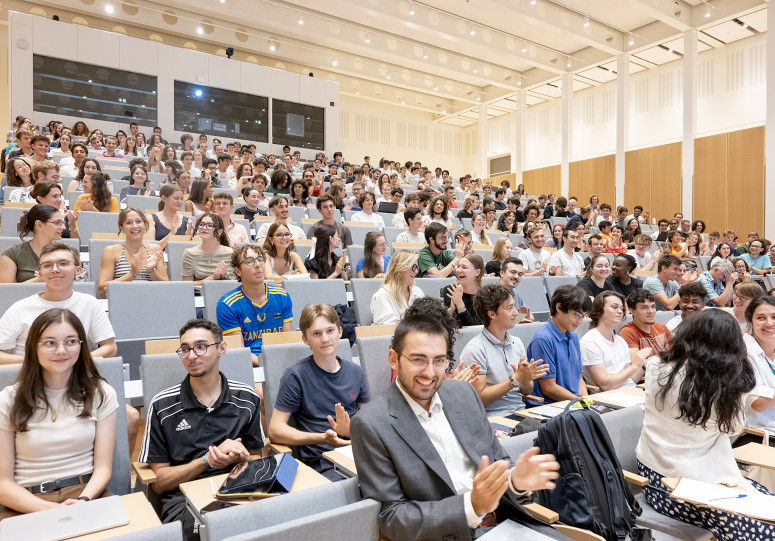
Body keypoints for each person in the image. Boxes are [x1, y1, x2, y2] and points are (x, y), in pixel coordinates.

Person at [350, 312, 564, 541]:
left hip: (506, 523)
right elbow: (392, 518)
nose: (430, 372)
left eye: (439, 360)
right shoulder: (371, 424)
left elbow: (498, 463)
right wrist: (471, 506)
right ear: (394, 359)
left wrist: (515, 481)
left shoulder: (464, 395)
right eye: (418, 359)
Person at [636, 309, 775, 541]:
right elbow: (733, 430)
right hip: (687, 483)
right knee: (763, 523)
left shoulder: (656, 366)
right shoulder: (724, 385)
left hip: (653, 473)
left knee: (763, 504)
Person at [139, 318, 267, 540]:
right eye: (185, 349)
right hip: (185, 500)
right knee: (210, 532)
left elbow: (258, 459)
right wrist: (205, 462)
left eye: (200, 347)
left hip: (239, 490)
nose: (191, 356)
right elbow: (159, 484)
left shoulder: (246, 398)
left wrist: (242, 458)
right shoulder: (162, 406)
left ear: (221, 349)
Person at [0, 308, 118, 518]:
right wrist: (52, 510)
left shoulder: (101, 393)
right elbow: (3, 483)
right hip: (28, 503)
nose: (61, 351)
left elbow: (103, 469)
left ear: (81, 346)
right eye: (50, 343)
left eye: (71, 341)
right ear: (33, 347)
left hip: (86, 496)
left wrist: (83, 501)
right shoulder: (9, 398)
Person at [267, 304, 369, 480]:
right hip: (322, 462)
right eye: (316, 333)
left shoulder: (355, 371)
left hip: (359, 454)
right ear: (305, 339)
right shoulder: (296, 376)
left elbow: (370, 421)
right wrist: (323, 438)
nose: (325, 339)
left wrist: (351, 430)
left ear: (340, 332)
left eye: (330, 331)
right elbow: (275, 430)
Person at [460, 284, 549, 416]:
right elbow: (480, 399)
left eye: (514, 306)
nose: (516, 312)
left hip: (521, 412)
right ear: (492, 314)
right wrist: (514, 379)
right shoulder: (476, 349)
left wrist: (525, 379)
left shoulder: (516, 342)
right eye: (509, 308)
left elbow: (527, 391)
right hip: (494, 418)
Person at [217, 245, 292, 364]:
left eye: (261, 259)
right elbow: (238, 351)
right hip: (247, 365)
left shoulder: (282, 296)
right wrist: (268, 365)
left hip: (280, 360)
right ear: (238, 271)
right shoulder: (227, 305)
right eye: (249, 261)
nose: (258, 265)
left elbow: (287, 341)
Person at [527, 285, 591, 404]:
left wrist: (585, 399)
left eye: (583, 316)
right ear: (559, 307)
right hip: (549, 406)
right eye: (577, 315)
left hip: (572, 402)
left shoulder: (573, 336)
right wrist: (579, 402)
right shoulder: (543, 338)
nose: (581, 321)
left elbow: (579, 377)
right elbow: (549, 388)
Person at [581, 291, 650, 391]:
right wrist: (635, 366)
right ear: (600, 310)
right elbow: (605, 385)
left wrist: (643, 364)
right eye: (614, 307)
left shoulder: (620, 341)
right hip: (606, 400)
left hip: (629, 392)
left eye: (622, 308)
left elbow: (628, 380)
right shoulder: (590, 342)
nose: (620, 311)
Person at [97, 208, 167, 298]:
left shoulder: (155, 249)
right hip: (122, 301)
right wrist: (132, 274)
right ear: (121, 228)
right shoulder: (110, 251)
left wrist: (151, 271)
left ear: (145, 225)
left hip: (151, 300)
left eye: (138, 221)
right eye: (128, 223)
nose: (134, 226)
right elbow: (102, 291)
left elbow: (166, 287)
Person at [0, 205, 66, 283]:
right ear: (39, 225)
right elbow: (5, 291)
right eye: (57, 223)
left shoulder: (68, 252)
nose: (63, 227)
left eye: (63, 223)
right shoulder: (12, 253)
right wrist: (36, 281)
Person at [744, 296, 775, 429]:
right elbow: (758, 404)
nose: (769, 323)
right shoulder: (743, 351)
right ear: (750, 322)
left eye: (774, 317)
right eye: (761, 318)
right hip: (758, 431)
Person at [370, 250, 425, 325]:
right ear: (401, 268)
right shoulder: (383, 295)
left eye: (417, 267)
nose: (416, 271)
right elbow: (387, 330)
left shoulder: (418, 292)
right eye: (413, 267)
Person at [181, 213, 235, 286]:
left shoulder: (232, 253)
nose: (204, 227)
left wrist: (226, 276)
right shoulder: (190, 253)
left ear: (219, 232)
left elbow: (240, 283)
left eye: (209, 225)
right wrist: (213, 277)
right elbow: (185, 285)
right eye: (201, 224)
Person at [442, 254, 485, 327]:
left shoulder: (485, 297)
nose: (458, 270)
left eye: (464, 267)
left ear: (477, 272)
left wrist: (460, 305)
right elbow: (442, 325)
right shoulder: (450, 290)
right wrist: (451, 310)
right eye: (458, 266)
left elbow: (474, 328)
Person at [148, 184, 193, 248]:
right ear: (164, 198)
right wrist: (171, 234)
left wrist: (188, 238)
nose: (180, 202)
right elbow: (150, 248)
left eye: (182, 199)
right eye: (176, 198)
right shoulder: (151, 219)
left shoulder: (187, 221)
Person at [498, 257, 534, 323]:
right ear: (502, 273)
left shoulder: (515, 294)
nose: (516, 277)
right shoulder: (491, 294)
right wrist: (518, 320)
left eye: (520, 274)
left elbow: (531, 316)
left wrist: (518, 319)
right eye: (513, 272)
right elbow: (495, 321)